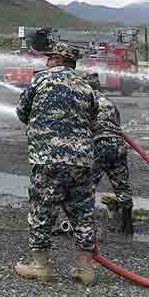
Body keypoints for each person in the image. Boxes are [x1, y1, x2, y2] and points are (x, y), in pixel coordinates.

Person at [14, 41, 100, 284]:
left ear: (59, 59)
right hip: (82, 161)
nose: (46, 60)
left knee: (42, 210)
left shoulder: (40, 80)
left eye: (50, 56)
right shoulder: (86, 86)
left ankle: (40, 266)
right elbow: (94, 120)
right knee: (82, 214)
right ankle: (85, 270)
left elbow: (22, 112)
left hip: (48, 158)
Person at [85, 73, 134, 235]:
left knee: (87, 186)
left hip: (98, 144)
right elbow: (117, 123)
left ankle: (84, 227)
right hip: (118, 145)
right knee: (122, 186)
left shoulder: (85, 101)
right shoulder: (110, 103)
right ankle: (127, 226)